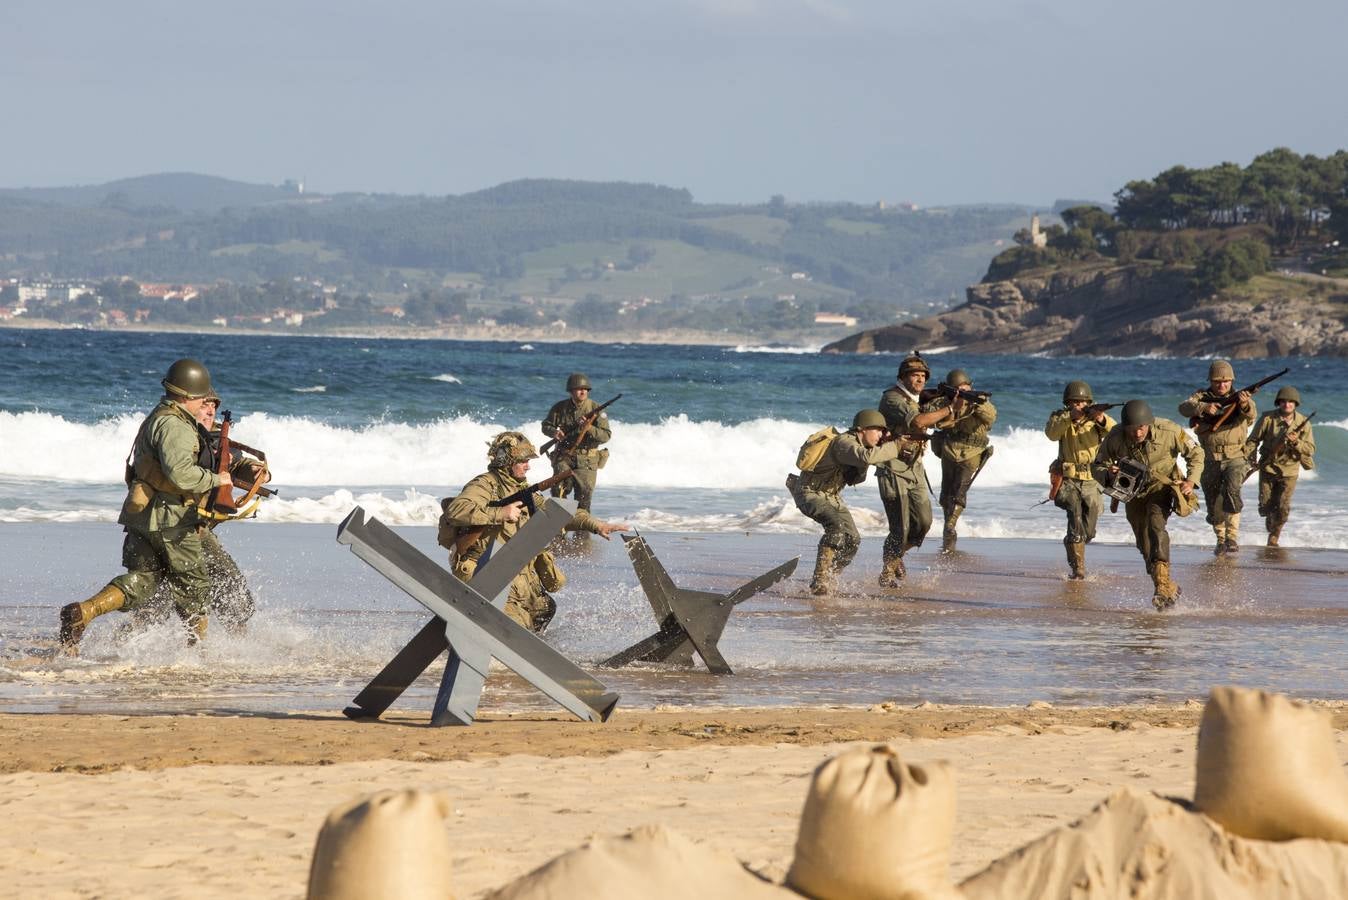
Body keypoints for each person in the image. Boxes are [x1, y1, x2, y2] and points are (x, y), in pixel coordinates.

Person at [58, 359, 233, 652]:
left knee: (143, 581)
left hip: (143, 516)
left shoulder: (159, 417)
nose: (206, 401)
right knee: (195, 585)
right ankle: (199, 653)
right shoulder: (176, 426)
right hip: (172, 520)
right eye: (203, 396)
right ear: (187, 395)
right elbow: (181, 474)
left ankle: (85, 611)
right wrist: (217, 479)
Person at [439, 431, 630, 633]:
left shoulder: (521, 488)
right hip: (491, 575)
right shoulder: (485, 484)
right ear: (506, 460)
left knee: (545, 609)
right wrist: (500, 513)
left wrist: (596, 525)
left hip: (520, 576)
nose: (528, 466)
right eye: (523, 461)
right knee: (512, 630)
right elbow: (456, 509)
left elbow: (555, 512)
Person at [1092, 400, 1203, 611]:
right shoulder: (1115, 437)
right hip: (1131, 492)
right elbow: (1096, 465)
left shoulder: (1168, 430)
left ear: (1149, 423)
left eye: (1142, 427)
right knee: (1144, 544)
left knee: (1155, 525)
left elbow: (1196, 453)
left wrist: (1191, 480)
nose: (1138, 432)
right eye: (1133, 429)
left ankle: (1161, 588)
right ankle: (1168, 588)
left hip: (1161, 489)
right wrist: (1107, 473)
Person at [787, 410, 906, 595]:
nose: (881, 434)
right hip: (809, 493)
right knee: (836, 527)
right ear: (862, 429)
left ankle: (830, 577)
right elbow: (866, 457)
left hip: (831, 497)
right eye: (878, 430)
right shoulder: (844, 442)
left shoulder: (859, 447)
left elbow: (856, 478)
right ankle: (819, 581)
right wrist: (896, 446)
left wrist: (887, 446)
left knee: (853, 540)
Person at [876, 352, 949, 585]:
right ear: (903, 377)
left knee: (924, 523)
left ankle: (896, 556)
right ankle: (887, 572)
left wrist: (957, 407)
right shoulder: (892, 398)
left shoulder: (918, 400)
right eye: (915, 376)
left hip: (915, 466)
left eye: (923, 377)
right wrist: (949, 409)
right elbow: (918, 422)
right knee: (901, 525)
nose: (920, 380)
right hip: (893, 466)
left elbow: (938, 422)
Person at [1177, 360, 1255, 555]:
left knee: (1232, 490)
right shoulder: (1201, 396)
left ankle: (1232, 537)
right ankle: (1220, 539)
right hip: (1209, 457)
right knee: (1213, 500)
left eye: (1226, 381)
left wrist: (1244, 403)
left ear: (1232, 381)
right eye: (1218, 382)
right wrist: (1203, 408)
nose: (1222, 385)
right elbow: (1184, 408)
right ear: (1210, 381)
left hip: (1235, 456)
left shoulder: (1241, 397)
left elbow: (1251, 415)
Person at [1044, 381, 1115, 580]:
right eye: (1074, 402)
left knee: (1089, 530)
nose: (1079, 406)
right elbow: (1051, 433)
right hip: (1068, 478)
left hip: (1093, 478)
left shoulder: (1096, 420)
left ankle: (1075, 542)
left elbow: (1116, 434)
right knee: (1074, 517)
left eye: (1083, 403)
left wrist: (1100, 419)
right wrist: (1069, 418)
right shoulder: (1060, 417)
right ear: (1067, 403)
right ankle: (1078, 570)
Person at [926, 368, 997, 553]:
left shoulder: (980, 401)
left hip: (972, 452)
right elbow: (929, 416)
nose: (963, 391)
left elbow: (991, 417)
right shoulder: (945, 402)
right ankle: (948, 536)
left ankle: (950, 524)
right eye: (959, 388)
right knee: (945, 496)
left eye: (965, 387)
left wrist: (972, 401)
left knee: (960, 491)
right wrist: (950, 404)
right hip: (950, 451)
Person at [1243, 385, 1316, 546]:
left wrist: (1296, 442)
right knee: (1265, 506)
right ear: (1278, 403)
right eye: (1283, 401)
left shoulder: (1303, 423)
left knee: (1283, 507)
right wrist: (1252, 459)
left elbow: (1310, 449)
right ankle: (1271, 520)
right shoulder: (1268, 419)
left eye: (1291, 402)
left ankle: (1274, 536)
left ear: (1295, 404)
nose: (1287, 404)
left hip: (1290, 470)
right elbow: (1253, 440)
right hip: (1268, 467)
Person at [542, 373, 611, 512]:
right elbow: (546, 426)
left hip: (587, 460)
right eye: (579, 388)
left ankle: (581, 533)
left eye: (585, 389)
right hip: (564, 457)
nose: (583, 391)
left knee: (584, 500)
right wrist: (554, 433)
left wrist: (589, 428)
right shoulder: (559, 408)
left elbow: (606, 436)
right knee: (558, 493)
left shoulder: (596, 409)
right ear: (571, 391)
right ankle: (558, 530)